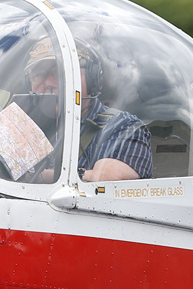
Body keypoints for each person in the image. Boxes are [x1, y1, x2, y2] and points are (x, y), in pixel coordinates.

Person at [24, 39, 152, 183]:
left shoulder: (123, 126)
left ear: (92, 79)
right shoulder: (21, 126)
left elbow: (107, 181)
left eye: (60, 73)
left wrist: (36, 177)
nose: (48, 84)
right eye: (38, 75)